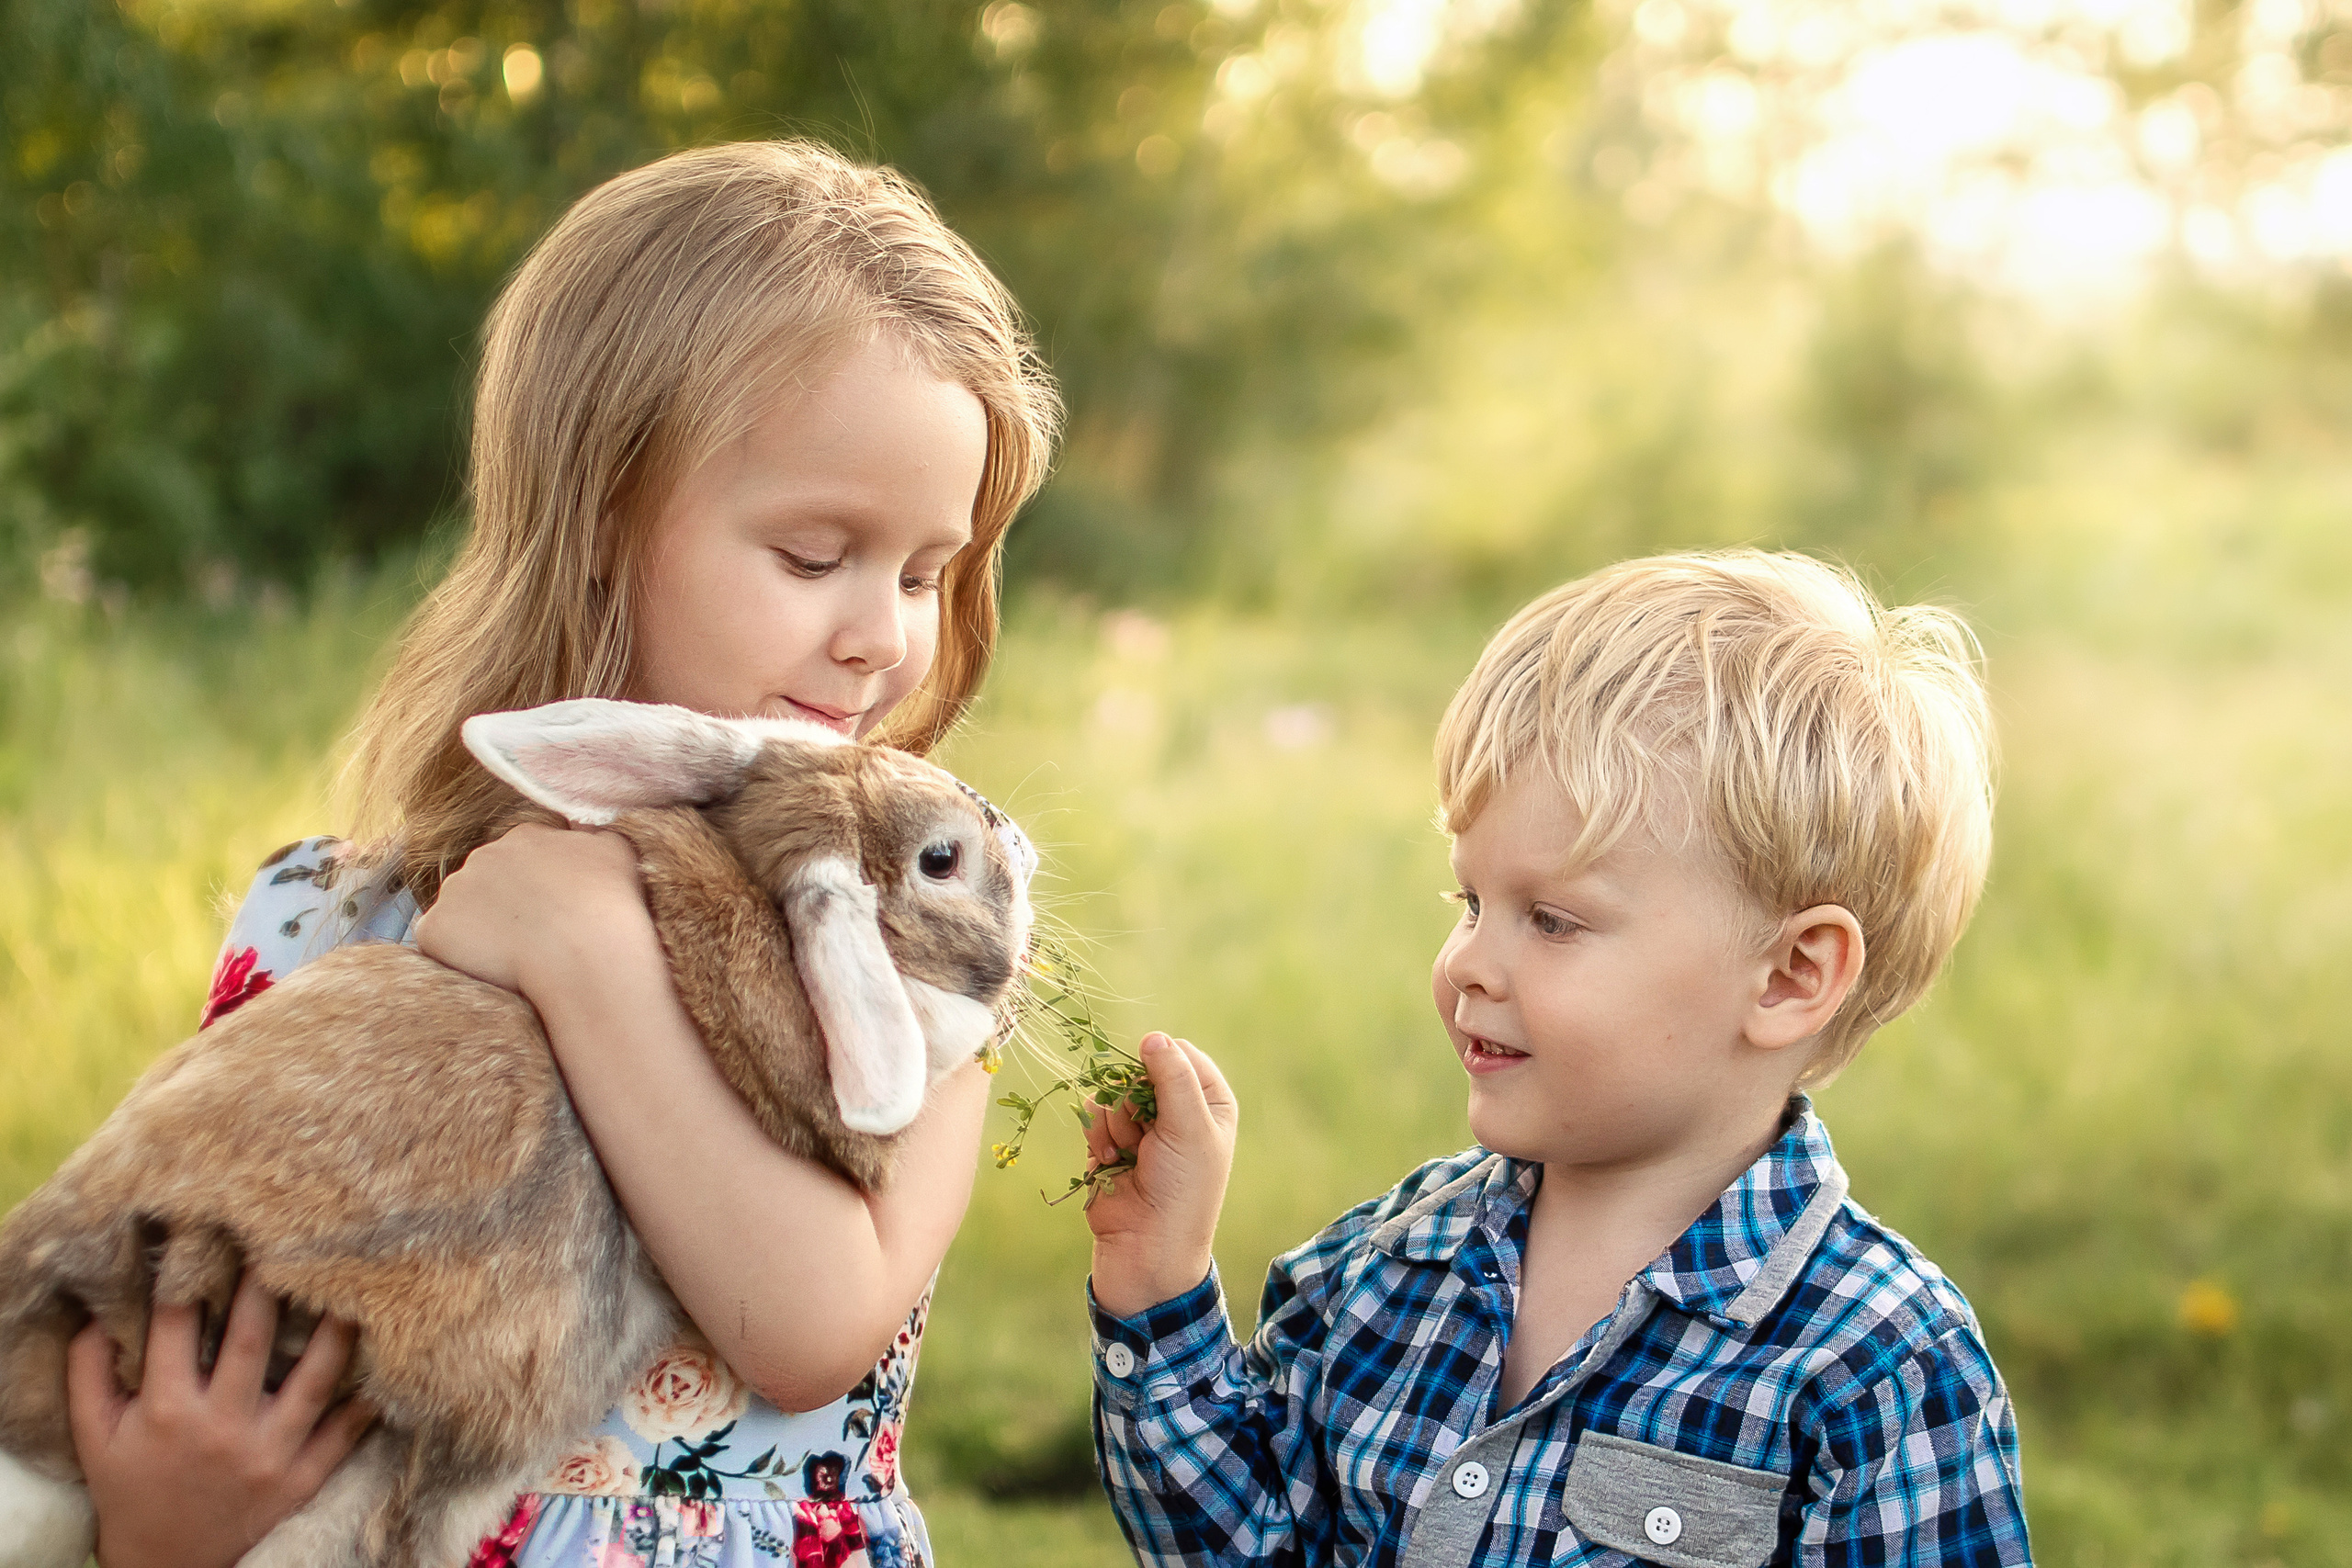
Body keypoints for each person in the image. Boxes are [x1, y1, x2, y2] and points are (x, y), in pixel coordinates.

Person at [62, 138, 1058, 1568]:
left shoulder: (907, 935)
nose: (882, 634)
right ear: (598, 521)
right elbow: (193, 1324)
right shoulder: (327, 922)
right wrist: (154, 1533)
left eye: (922, 571)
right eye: (811, 554)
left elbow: (805, 1327)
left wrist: (586, 952)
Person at [1082, 551, 2030, 1566]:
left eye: (1553, 920)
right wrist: (1157, 1287)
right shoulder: (1388, 1264)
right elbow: (1251, 1549)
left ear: (1791, 976)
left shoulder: (1875, 1365)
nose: (1467, 964)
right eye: (1469, 903)